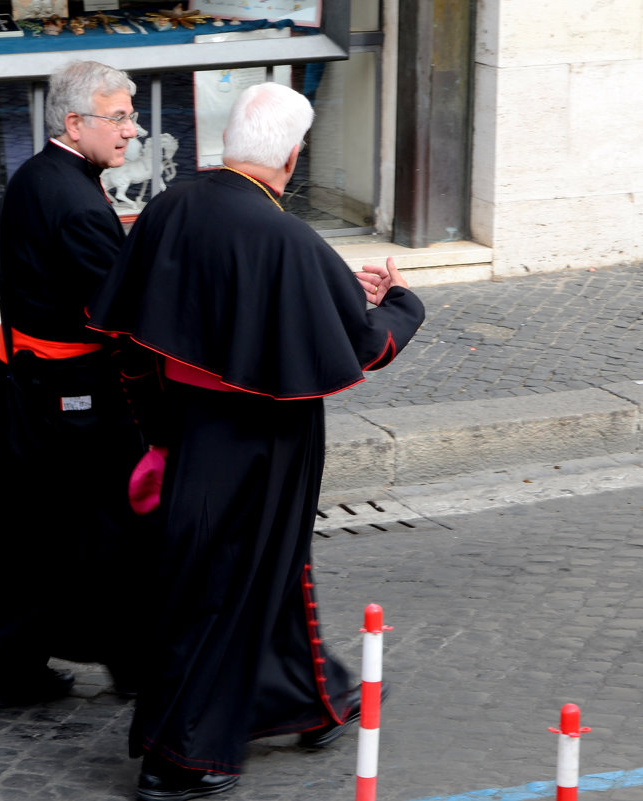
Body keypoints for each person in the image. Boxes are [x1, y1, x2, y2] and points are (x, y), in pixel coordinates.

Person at [86, 82, 427, 801]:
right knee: (226, 587)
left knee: (263, 572)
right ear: (294, 155)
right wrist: (400, 301)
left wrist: (157, 430)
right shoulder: (287, 236)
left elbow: (131, 333)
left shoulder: (173, 203)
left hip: (190, 425)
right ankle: (178, 759)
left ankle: (309, 698)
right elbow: (361, 343)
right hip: (266, 441)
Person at [0, 61, 145, 708]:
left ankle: (9, 662)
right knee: (107, 526)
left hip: (21, 379)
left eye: (131, 115)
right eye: (120, 116)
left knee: (14, 523)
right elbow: (120, 309)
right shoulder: (77, 203)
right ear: (75, 124)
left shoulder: (35, 176)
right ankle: (132, 658)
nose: (132, 130)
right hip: (68, 393)